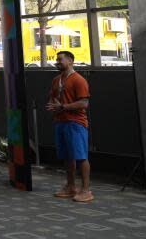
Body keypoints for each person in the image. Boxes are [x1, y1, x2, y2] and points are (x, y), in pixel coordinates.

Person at [46, 50, 93, 202]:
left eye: (60, 59)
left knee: (80, 157)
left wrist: (63, 107)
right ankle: (71, 186)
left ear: (71, 61)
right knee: (67, 156)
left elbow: (84, 103)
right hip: (61, 122)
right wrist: (54, 107)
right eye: (56, 59)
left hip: (76, 123)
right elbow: (53, 98)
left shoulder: (79, 80)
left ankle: (86, 190)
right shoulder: (56, 80)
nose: (57, 62)